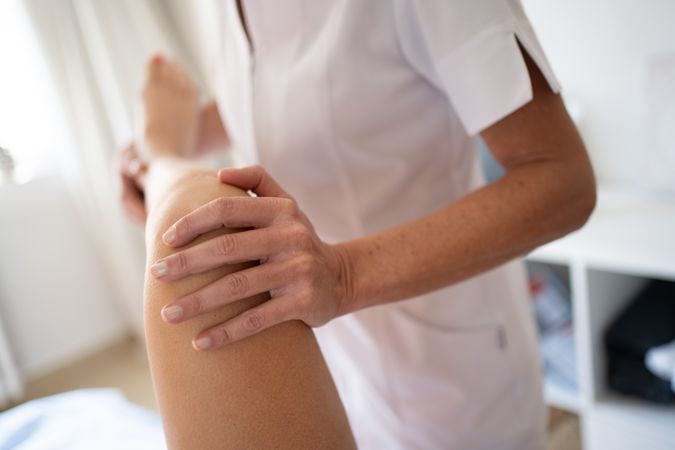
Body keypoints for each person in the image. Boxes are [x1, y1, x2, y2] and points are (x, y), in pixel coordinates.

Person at [120, 1, 596, 448]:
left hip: (449, 369)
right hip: (333, 359)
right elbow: (284, 92)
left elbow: (563, 178)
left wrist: (345, 275)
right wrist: (164, 139)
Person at [130, 56, 356, 449]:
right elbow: (276, 98)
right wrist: (151, 148)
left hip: (443, 358)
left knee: (199, 226)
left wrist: (346, 274)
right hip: (325, 355)